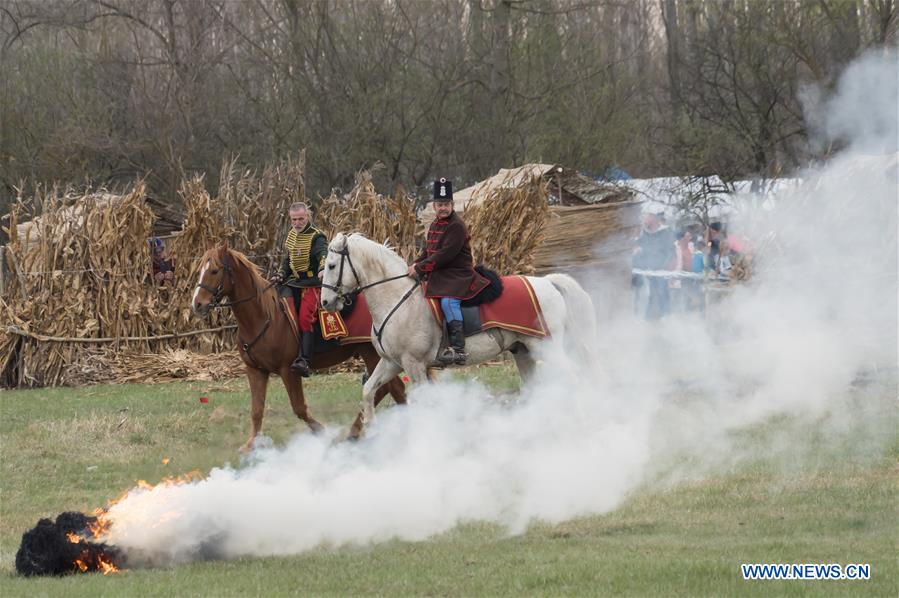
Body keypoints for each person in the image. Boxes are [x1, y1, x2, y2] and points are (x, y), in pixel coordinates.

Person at [408, 178, 489, 365]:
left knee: (448, 303)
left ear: (452, 205)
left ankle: (459, 349)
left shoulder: (456, 226)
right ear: (434, 206)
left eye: (446, 204)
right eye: (439, 204)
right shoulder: (435, 225)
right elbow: (428, 252)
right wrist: (413, 265)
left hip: (457, 275)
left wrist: (420, 268)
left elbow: (445, 255)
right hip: (441, 274)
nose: (442, 208)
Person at [271, 202, 328, 377]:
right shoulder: (291, 236)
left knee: (305, 318)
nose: (297, 223)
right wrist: (281, 274)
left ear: (307, 217)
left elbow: (323, 254)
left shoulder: (317, 236)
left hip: (312, 283)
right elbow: (288, 260)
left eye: (300, 219)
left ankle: (305, 359)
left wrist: (322, 268)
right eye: (294, 220)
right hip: (294, 281)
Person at [633, 211, 675, 319]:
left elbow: (671, 251)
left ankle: (667, 316)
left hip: (662, 270)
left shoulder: (666, 232)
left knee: (662, 293)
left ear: (654, 218)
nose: (645, 219)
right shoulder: (645, 233)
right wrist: (638, 249)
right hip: (650, 270)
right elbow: (641, 246)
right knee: (650, 294)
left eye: (647, 217)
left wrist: (668, 267)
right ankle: (648, 318)